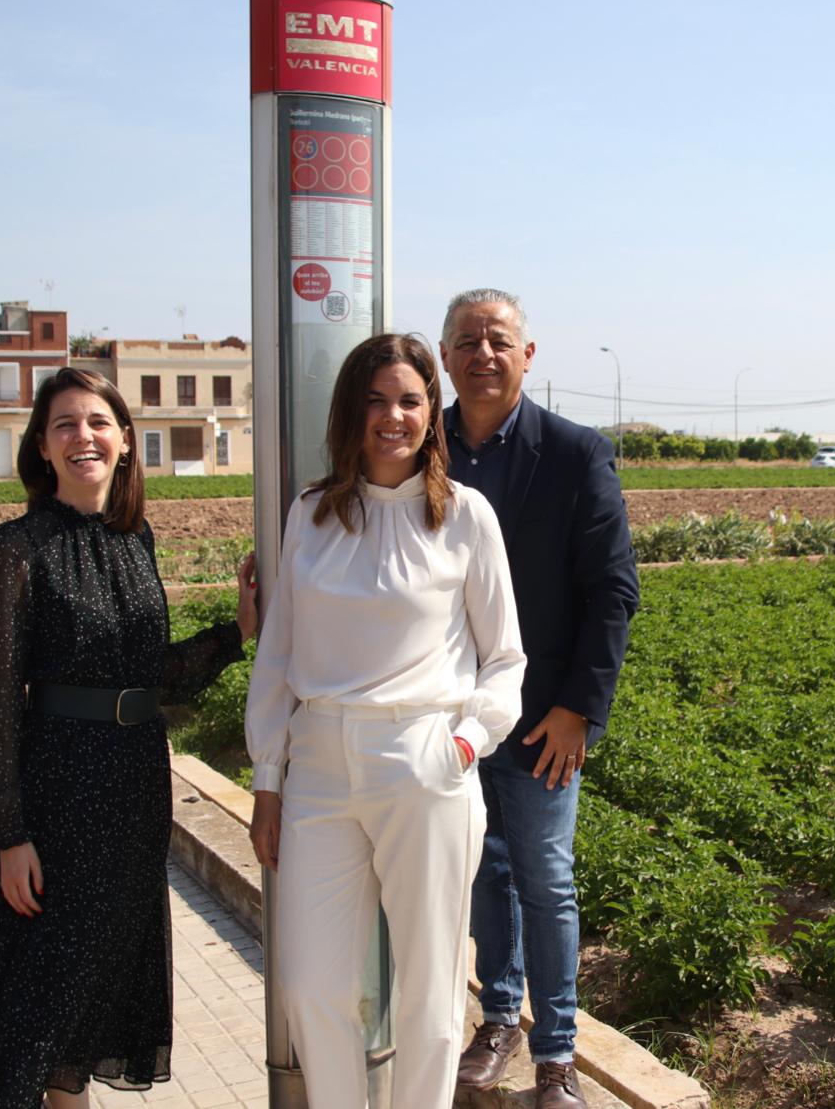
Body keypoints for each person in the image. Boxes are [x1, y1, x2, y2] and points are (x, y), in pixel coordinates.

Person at [0, 368, 257, 1109]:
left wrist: (236, 633)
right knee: (35, 1012)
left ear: (125, 441)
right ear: (43, 446)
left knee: (86, 1009)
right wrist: (8, 833)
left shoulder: (135, 540)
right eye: (65, 423)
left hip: (133, 792)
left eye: (98, 421)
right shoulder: (20, 547)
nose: (83, 435)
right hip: (59, 798)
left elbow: (149, 671)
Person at [245, 333, 525, 1108]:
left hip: (426, 762)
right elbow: (278, 655)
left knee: (431, 992)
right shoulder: (311, 513)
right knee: (312, 986)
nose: (392, 416)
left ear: (431, 411)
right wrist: (268, 779)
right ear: (350, 412)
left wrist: (465, 743)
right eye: (375, 399)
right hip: (320, 769)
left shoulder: (466, 517)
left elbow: (506, 659)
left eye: (409, 399)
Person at [440, 289, 639, 1109]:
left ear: (527, 356)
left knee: (546, 877)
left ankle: (556, 1054)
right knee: (483, 869)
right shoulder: (418, 447)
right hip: (451, 711)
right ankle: (499, 1016)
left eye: (499, 339)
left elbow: (612, 590)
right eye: (466, 341)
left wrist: (580, 709)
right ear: (444, 358)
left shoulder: (574, 453)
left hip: (544, 713)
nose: (483, 352)